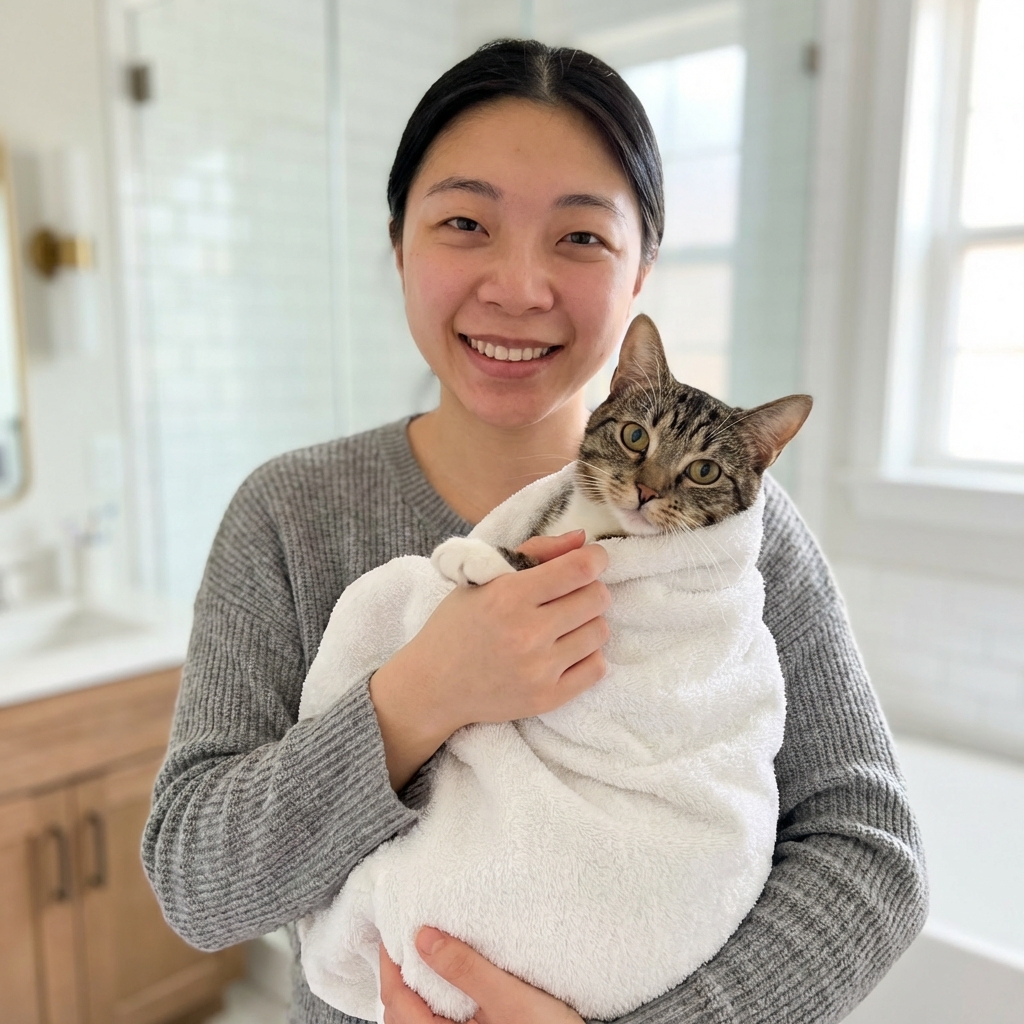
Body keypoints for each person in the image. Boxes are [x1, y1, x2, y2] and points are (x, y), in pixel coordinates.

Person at [143, 39, 927, 1024]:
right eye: (465, 223)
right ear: (398, 244)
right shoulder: (291, 516)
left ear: (640, 271)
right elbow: (196, 884)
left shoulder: (738, 539)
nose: (518, 287)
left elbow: (872, 852)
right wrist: (422, 693)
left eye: (581, 237)